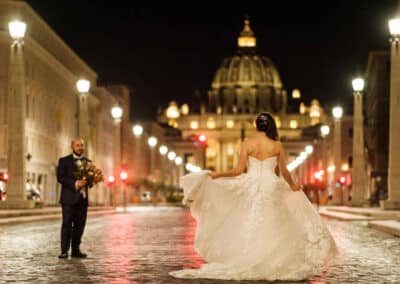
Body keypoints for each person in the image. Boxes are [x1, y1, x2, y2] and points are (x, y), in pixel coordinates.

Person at [169, 112, 338, 281]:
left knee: (250, 220)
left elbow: (238, 170)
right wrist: (293, 185)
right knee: (273, 220)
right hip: (270, 185)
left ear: (256, 126)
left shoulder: (247, 144)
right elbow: (284, 172)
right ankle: (274, 259)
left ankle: (251, 255)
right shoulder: (277, 145)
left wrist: (217, 174)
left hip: (252, 185)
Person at [57, 137, 90, 259]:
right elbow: (60, 177)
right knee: (66, 224)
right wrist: (76, 183)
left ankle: (76, 250)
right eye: (78, 145)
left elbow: (90, 182)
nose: (80, 147)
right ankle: (64, 251)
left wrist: (92, 180)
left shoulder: (88, 162)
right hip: (68, 199)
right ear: (72, 146)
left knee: (80, 226)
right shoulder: (64, 161)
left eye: (82, 145)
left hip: (82, 199)